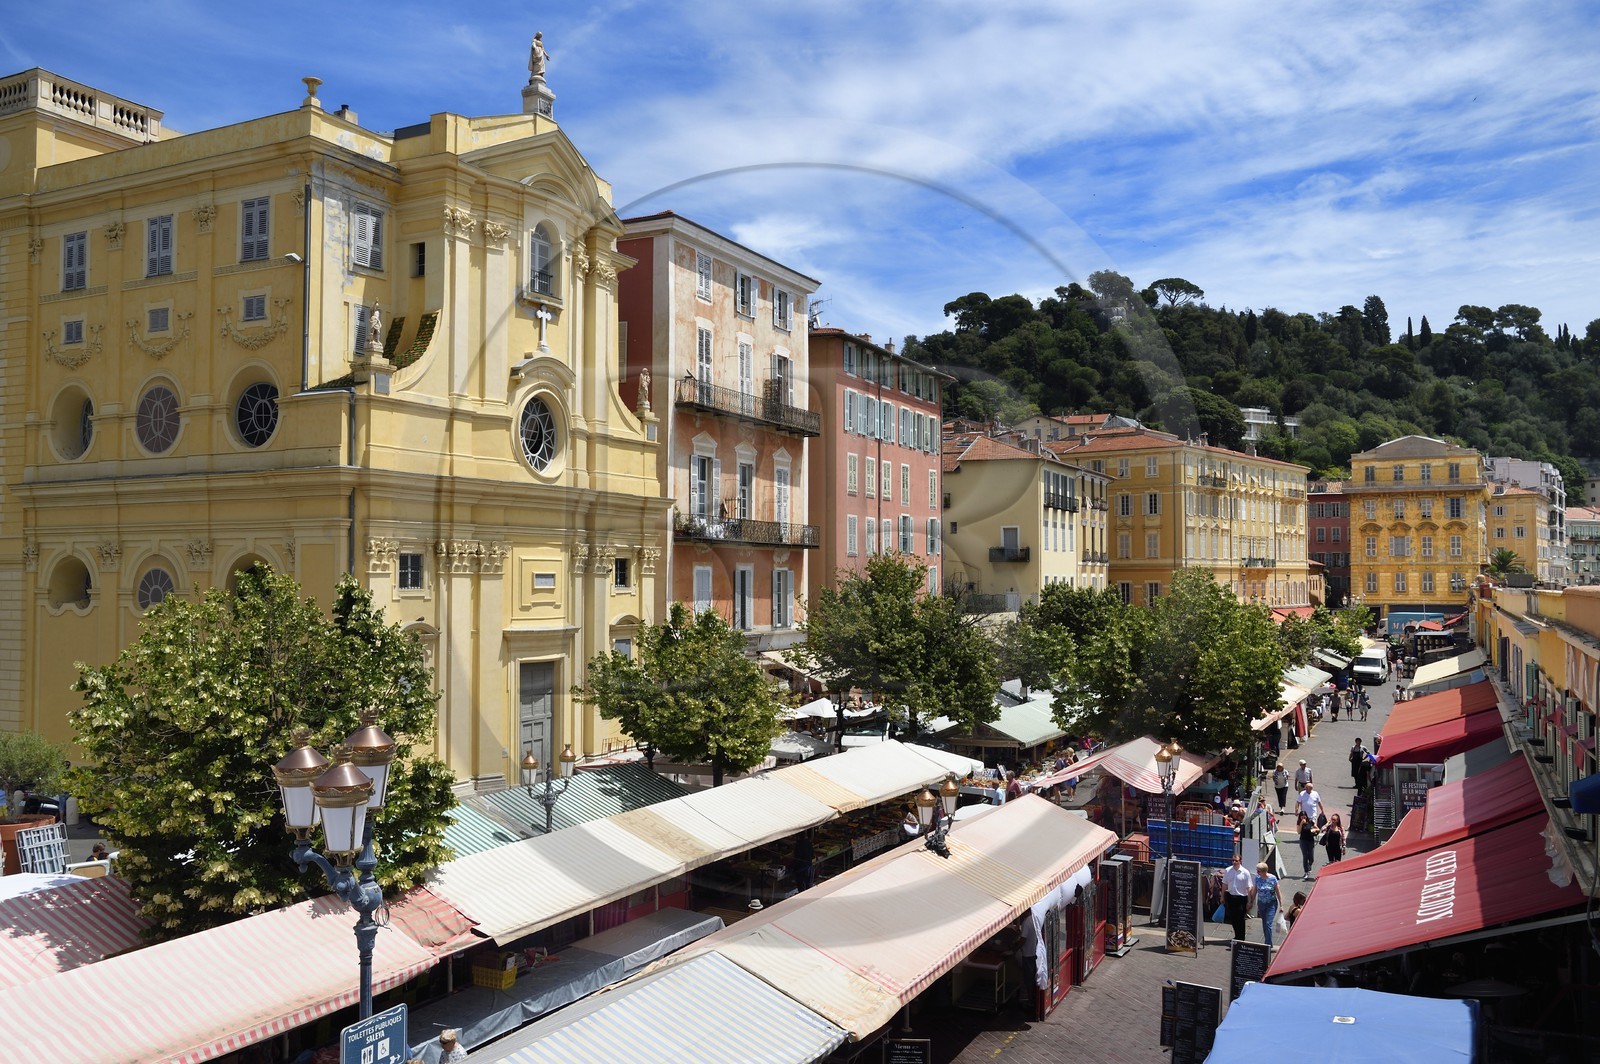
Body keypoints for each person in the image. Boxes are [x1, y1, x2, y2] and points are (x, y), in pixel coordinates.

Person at [1222, 852, 1253, 945]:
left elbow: (1249, 888)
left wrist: (1249, 901)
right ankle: (1236, 936)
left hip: (1241, 898)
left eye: (1236, 861)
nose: (1234, 862)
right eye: (1233, 860)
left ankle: (1241, 937)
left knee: (1240, 918)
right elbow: (1224, 884)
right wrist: (1222, 896)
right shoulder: (1228, 870)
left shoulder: (1245, 872)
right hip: (1231, 897)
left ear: (1240, 861)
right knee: (1233, 917)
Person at [1254, 861, 1281, 948]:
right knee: (1264, 923)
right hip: (1261, 903)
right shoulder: (1257, 878)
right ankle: (1268, 941)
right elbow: (1255, 890)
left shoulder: (1272, 878)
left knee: (1268, 923)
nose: (1257, 873)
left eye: (1259, 871)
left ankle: (1267, 944)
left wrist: (1281, 905)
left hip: (1271, 904)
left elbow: (1277, 891)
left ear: (1264, 871)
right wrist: (1250, 901)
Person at [1296, 811, 1318, 879]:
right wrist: (1301, 824)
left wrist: (1315, 830)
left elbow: (1317, 828)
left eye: (1304, 816)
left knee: (1311, 857)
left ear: (1306, 816)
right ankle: (1306, 871)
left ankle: (1309, 865)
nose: (1303, 817)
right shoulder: (1299, 823)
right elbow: (1298, 832)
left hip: (1310, 841)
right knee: (1305, 856)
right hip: (1303, 841)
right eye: (1301, 816)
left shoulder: (1310, 822)